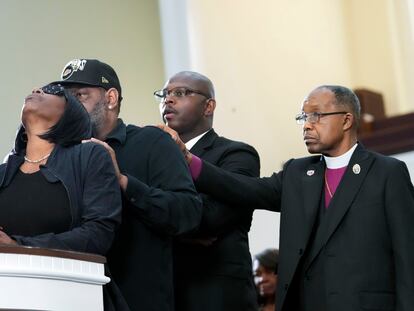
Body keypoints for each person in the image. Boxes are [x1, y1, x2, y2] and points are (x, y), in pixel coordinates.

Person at [160, 85, 414, 311]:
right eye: (303, 117)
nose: (306, 124)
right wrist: (190, 160)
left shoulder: (386, 172)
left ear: (347, 120)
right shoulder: (298, 172)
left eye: (316, 115)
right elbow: (246, 188)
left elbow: (407, 253)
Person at [55, 59, 202, 311]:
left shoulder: (152, 142)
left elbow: (188, 213)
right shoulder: (61, 154)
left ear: (110, 98)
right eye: (67, 98)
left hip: (138, 299)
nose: (71, 106)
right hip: (76, 297)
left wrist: (122, 181)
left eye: (80, 95)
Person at [155, 71, 260, 310]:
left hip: (214, 292)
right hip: (164, 290)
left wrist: (160, 223)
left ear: (208, 106)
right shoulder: (153, 157)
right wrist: (181, 233)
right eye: (165, 94)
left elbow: (210, 218)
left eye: (180, 93)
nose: (168, 100)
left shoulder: (236, 155)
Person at [0, 83, 121, 255]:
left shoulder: (89, 156)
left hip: (66, 279)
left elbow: (99, 234)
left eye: (52, 91)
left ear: (70, 113)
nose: (36, 90)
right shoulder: (3, 172)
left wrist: (18, 245)